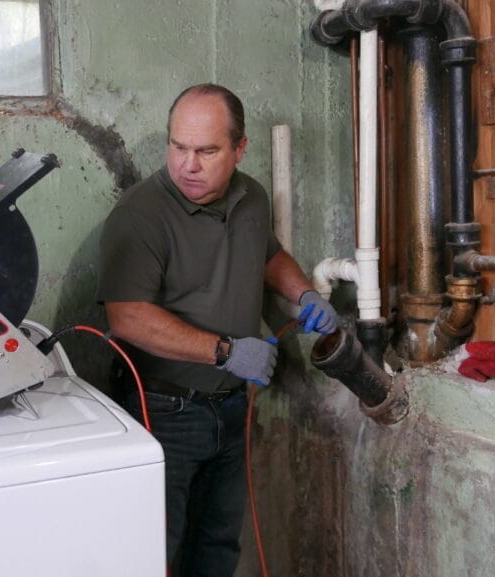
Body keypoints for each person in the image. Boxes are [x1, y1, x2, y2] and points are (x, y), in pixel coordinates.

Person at [97, 83, 338, 577]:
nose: (188, 164)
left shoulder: (250, 198)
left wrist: (304, 294)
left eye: (207, 150)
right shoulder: (140, 216)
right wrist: (226, 351)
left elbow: (267, 254)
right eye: (178, 147)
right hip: (163, 412)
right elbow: (127, 316)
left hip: (231, 407)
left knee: (217, 546)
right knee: (153, 552)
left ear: (239, 149)